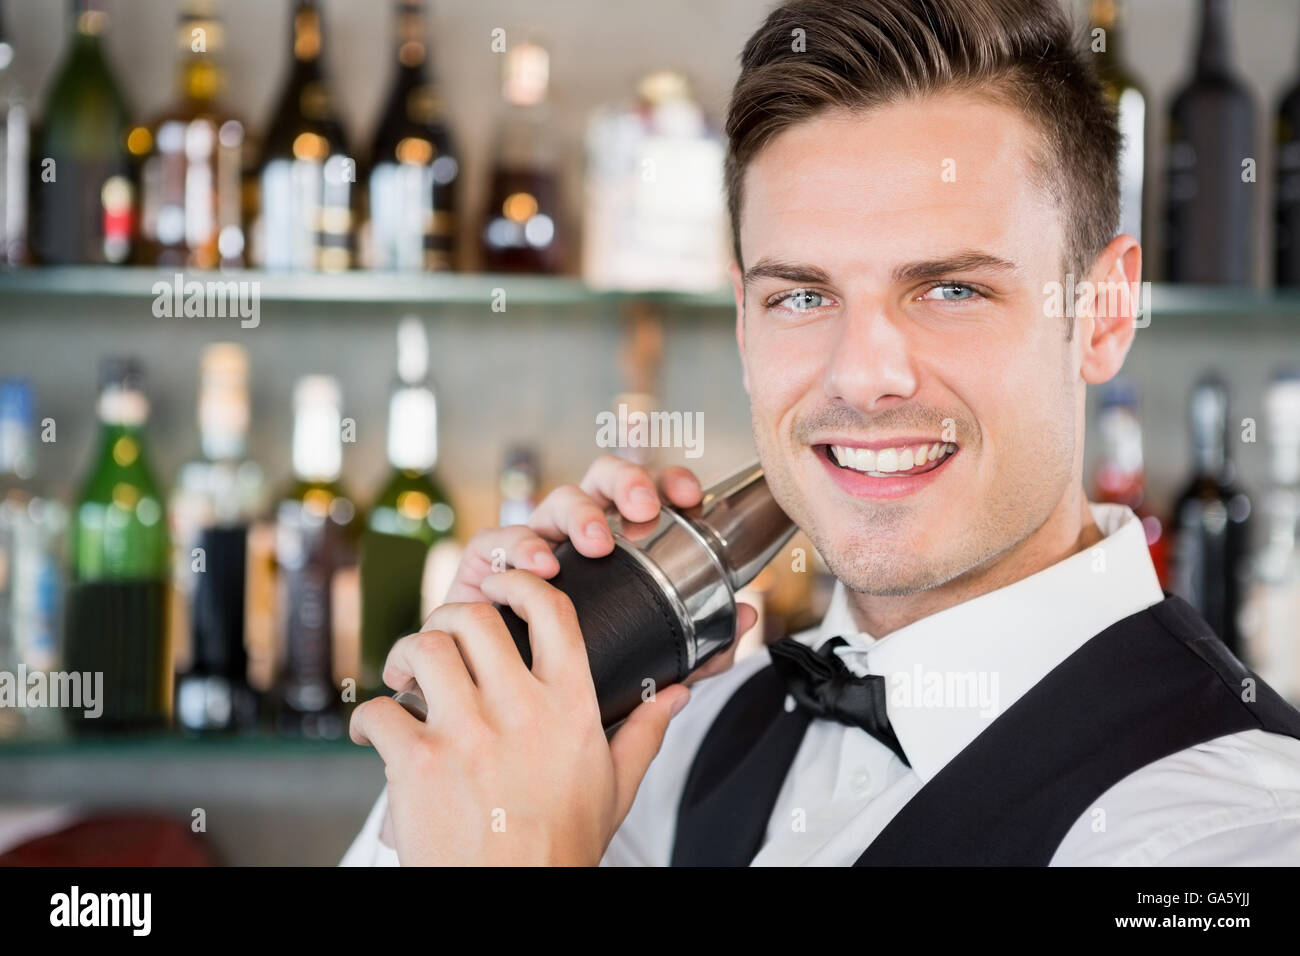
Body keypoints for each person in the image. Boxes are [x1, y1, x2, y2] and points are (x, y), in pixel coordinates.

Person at [341, 0, 1300, 866]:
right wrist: (492, 704)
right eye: (803, 295)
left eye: (951, 288)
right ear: (744, 323)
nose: (863, 375)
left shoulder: (1230, 833)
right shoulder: (677, 738)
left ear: (1101, 312)